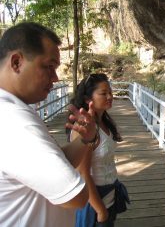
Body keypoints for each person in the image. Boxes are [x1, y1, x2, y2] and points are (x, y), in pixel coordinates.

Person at [0, 22, 98, 226]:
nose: (55, 78)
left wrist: (85, 139)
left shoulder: (15, 109)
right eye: (49, 66)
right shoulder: (13, 120)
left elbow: (57, 163)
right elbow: (76, 196)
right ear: (16, 62)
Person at [70, 73, 129, 226]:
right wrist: (100, 210)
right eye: (103, 93)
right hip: (93, 203)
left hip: (109, 196)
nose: (110, 96)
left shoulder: (103, 122)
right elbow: (83, 173)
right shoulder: (84, 128)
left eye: (110, 92)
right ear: (88, 99)